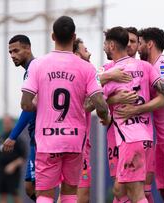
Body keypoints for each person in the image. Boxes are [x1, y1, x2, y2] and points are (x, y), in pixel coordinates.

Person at [20, 16, 110, 203]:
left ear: (53, 36)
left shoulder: (38, 65)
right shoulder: (86, 68)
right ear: (74, 36)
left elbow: (26, 104)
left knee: (45, 195)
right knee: (70, 194)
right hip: (75, 140)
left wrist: (41, 105)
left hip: (47, 140)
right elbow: (100, 104)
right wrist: (105, 117)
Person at [116, 27, 164, 203]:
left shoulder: (162, 65)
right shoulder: (148, 68)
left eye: (140, 43)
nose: (137, 47)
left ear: (150, 44)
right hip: (162, 140)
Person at [102, 26, 164, 203]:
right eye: (129, 41)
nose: (132, 45)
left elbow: (91, 104)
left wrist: (112, 108)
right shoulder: (144, 67)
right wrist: (115, 99)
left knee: (136, 193)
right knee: (122, 189)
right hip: (141, 137)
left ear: (113, 45)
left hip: (129, 138)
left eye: (134, 41)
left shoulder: (110, 74)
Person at [2, 34, 37, 201]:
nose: (12, 55)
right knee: (31, 187)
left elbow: (29, 107)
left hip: (41, 138)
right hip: (35, 138)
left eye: (16, 50)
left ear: (28, 48)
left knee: (39, 188)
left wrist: (13, 136)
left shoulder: (34, 69)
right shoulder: (30, 70)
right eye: (10, 52)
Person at [0, 116, 26, 203]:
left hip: (14, 173)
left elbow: (23, 157)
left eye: (8, 122)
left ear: (12, 123)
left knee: (15, 195)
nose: (6, 124)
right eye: (5, 122)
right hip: (1, 171)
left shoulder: (18, 140)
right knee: (3, 195)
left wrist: (13, 165)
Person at [73, 38, 92, 203]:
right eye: (85, 50)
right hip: (76, 142)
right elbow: (84, 106)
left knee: (69, 194)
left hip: (77, 140)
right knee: (81, 194)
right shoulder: (83, 71)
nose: (90, 53)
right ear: (76, 54)